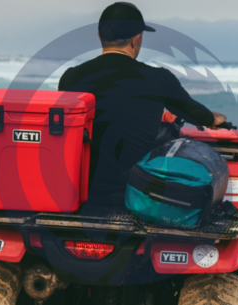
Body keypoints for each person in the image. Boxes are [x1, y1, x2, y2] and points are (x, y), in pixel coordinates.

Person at [58, 2, 226, 205]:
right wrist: (214, 119)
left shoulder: (70, 78)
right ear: (136, 39)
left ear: (100, 36)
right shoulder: (158, 78)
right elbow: (193, 111)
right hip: (134, 193)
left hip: (81, 192)